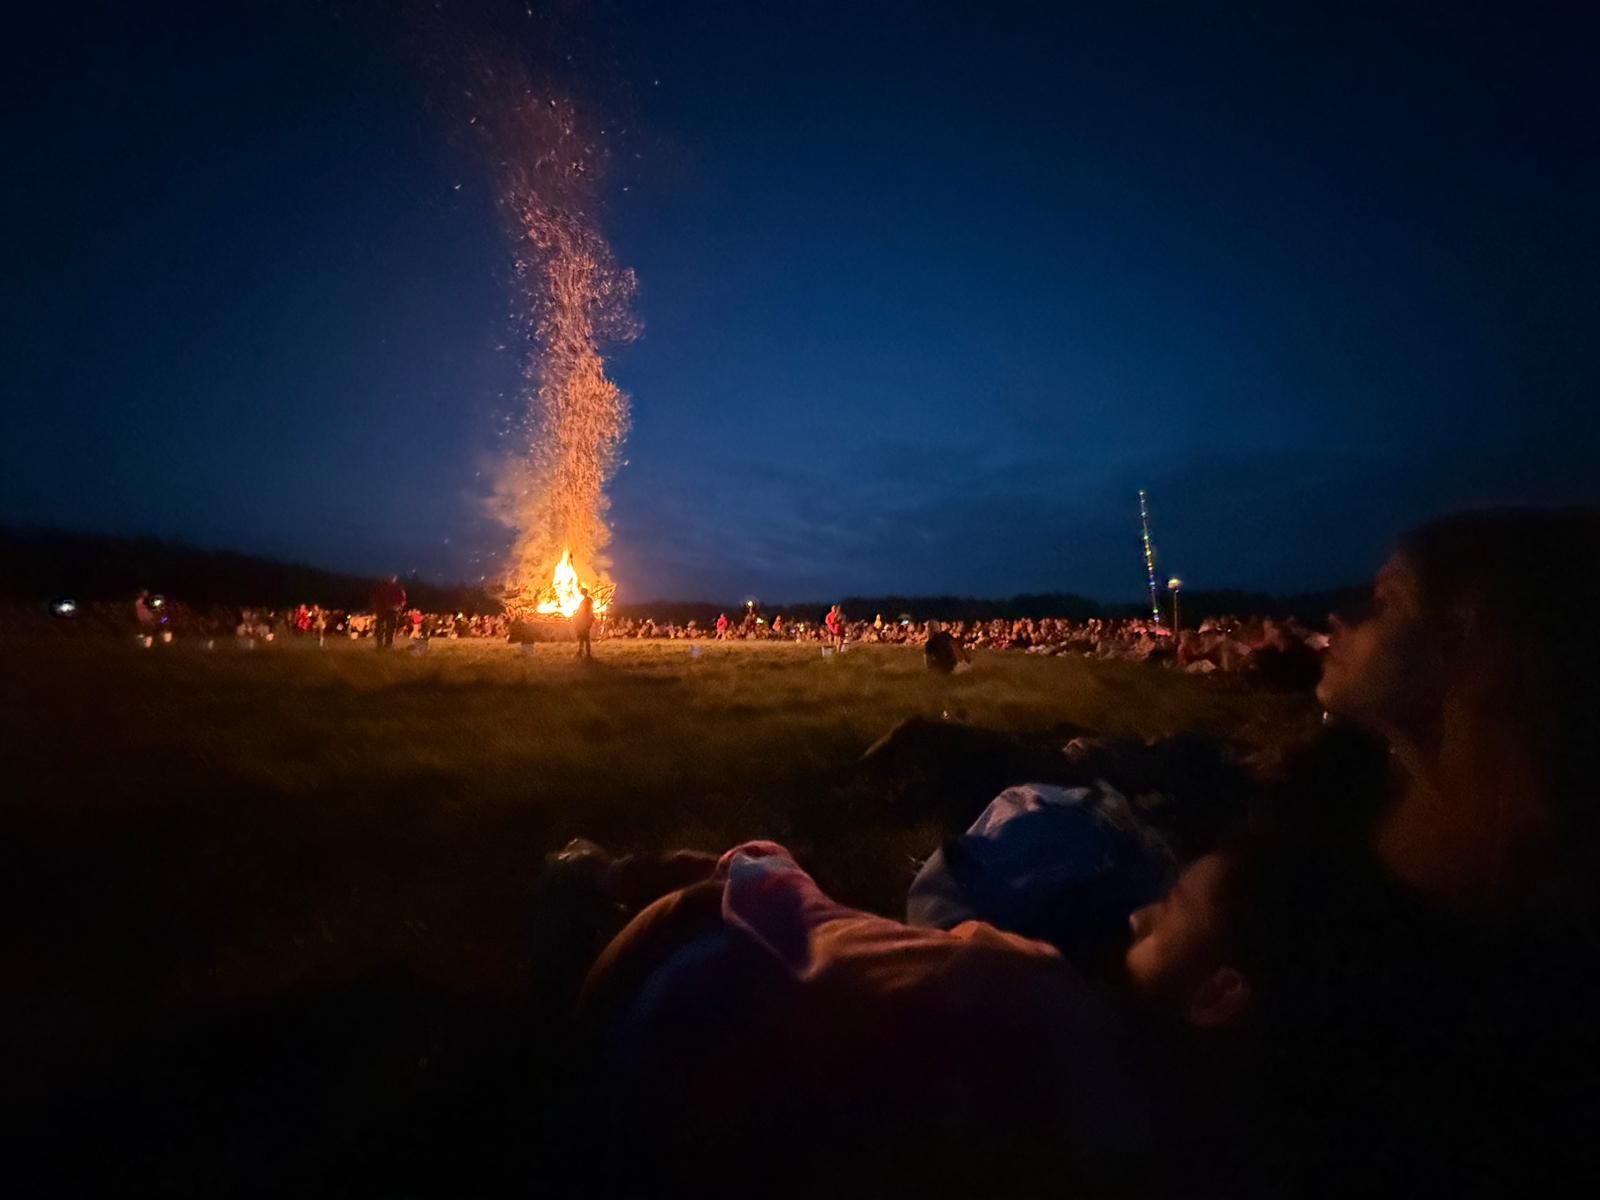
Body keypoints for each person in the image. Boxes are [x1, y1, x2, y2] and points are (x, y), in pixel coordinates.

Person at [579, 838, 1279, 1195]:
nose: (1139, 913)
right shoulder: (1162, 1139)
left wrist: (761, 857)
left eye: (1174, 908)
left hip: (660, 1044)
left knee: (615, 885)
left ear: (1220, 995)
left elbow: (807, 927)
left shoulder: (1030, 997)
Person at [371, 575, 406, 650]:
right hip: (382, 610)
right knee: (381, 627)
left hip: (392, 610)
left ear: (395, 579)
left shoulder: (398, 588)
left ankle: (388, 644)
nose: (390, 579)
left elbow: (402, 599)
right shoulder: (382, 588)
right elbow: (376, 598)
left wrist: (399, 607)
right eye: (389, 577)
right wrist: (377, 608)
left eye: (392, 577)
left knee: (391, 628)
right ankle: (380, 644)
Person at [573, 587, 595, 660]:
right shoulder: (586, 600)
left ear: (584, 592)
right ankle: (580, 651)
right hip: (584, 621)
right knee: (582, 637)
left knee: (586, 637)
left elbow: (587, 611)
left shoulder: (587, 601)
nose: (581, 593)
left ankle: (587, 652)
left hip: (585, 621)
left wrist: (587, 621)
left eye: (582, 592)